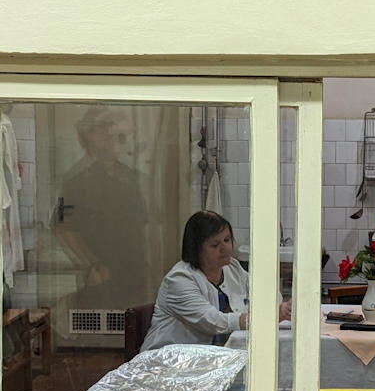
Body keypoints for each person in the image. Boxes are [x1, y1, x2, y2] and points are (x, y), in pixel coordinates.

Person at [142, 210, 292, 351]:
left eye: (227, 240)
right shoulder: (179, 280)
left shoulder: (232, 267)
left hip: (212, 358)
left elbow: (264, 293)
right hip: (168, 359)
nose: (225, 248)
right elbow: (213, 321)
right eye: (215, 245)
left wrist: (281, 308)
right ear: (196, 249)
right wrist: (268, 316)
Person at [56, 107, 149, 311]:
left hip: (133, 271)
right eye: (102, 128)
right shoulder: (76, 180)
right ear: (86, 136)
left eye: (112, 127)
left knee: (134, 327)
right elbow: (64, 228)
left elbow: (142, 223)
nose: (109, 133)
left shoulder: (130, 176)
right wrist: (93, 265)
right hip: (101, 274)